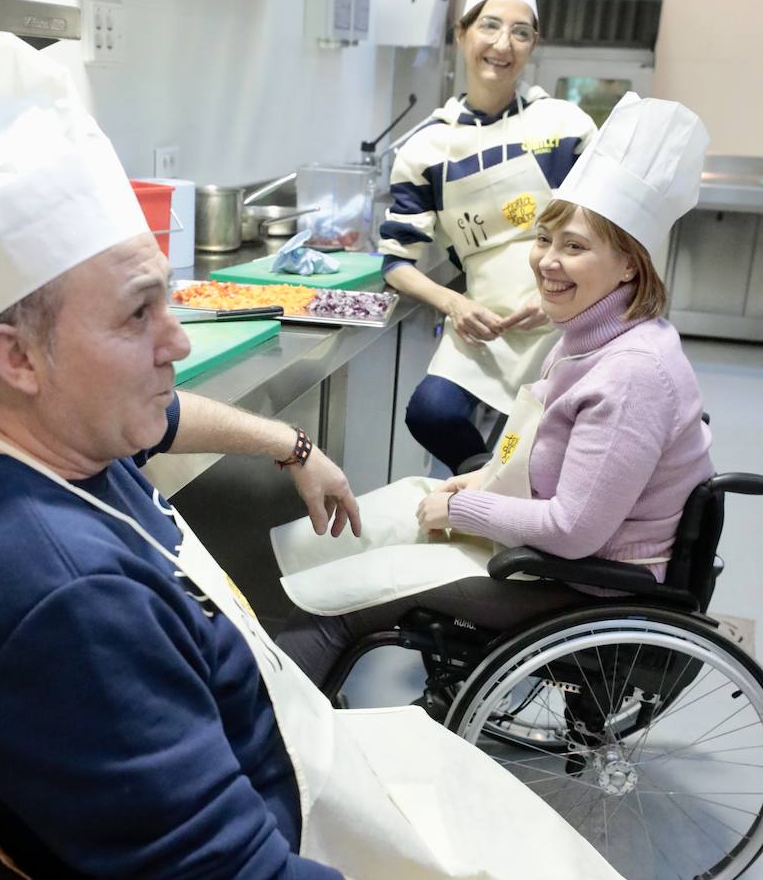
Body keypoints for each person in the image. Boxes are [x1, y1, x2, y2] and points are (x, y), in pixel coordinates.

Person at [0, 31, 717, 880]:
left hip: (197, 850)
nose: (178, 343)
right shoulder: (56, 600)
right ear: (18, 354)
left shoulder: (17, 439)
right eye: (140, 315)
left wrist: (287, 442)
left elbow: (161, 418)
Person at [275, 94, 714, 692]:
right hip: (566, 558)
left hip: (586, 581)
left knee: (351, 596)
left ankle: (264, 741)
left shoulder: (632, 372)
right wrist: (479, 483)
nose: (548, 263)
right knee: (365, 527)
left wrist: (462, 509)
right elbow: (554, 459)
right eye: (544, 239)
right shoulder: (590, 335)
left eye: (575, 247)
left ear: (630, 266)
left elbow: (574, 530)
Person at [380, 0, 597, 472]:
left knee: (537, 444)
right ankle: (486, 491)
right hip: (483, 322)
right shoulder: (427, 147)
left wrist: (553, 301)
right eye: (491, 26)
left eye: (521, 32)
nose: (503, 45)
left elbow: (608, 235)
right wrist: (454, 304)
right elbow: (395, 263)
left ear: (533, 46)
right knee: (430, 411)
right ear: (462, 33)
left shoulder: (566, 126)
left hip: (565, 321)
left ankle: (504, 509)